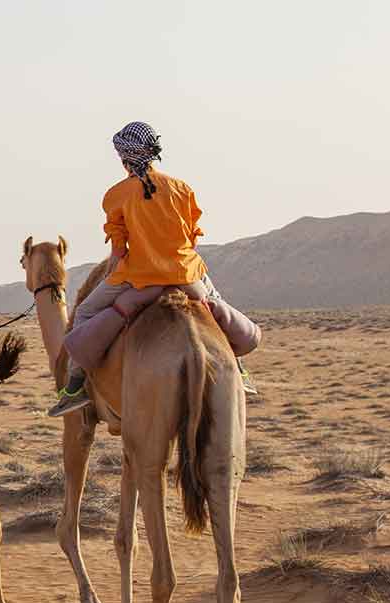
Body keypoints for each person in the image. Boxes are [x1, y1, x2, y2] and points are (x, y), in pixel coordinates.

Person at [48, 122, 256, 418]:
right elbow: (191, 239)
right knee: (215, 306)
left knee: (84, 313)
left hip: (139, 279)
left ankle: (74, 387)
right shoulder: (182, 188)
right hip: (185, 275)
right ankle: (238, 369)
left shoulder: (116, 195)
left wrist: (114, 273)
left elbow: (119, 251)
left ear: (124, 160)